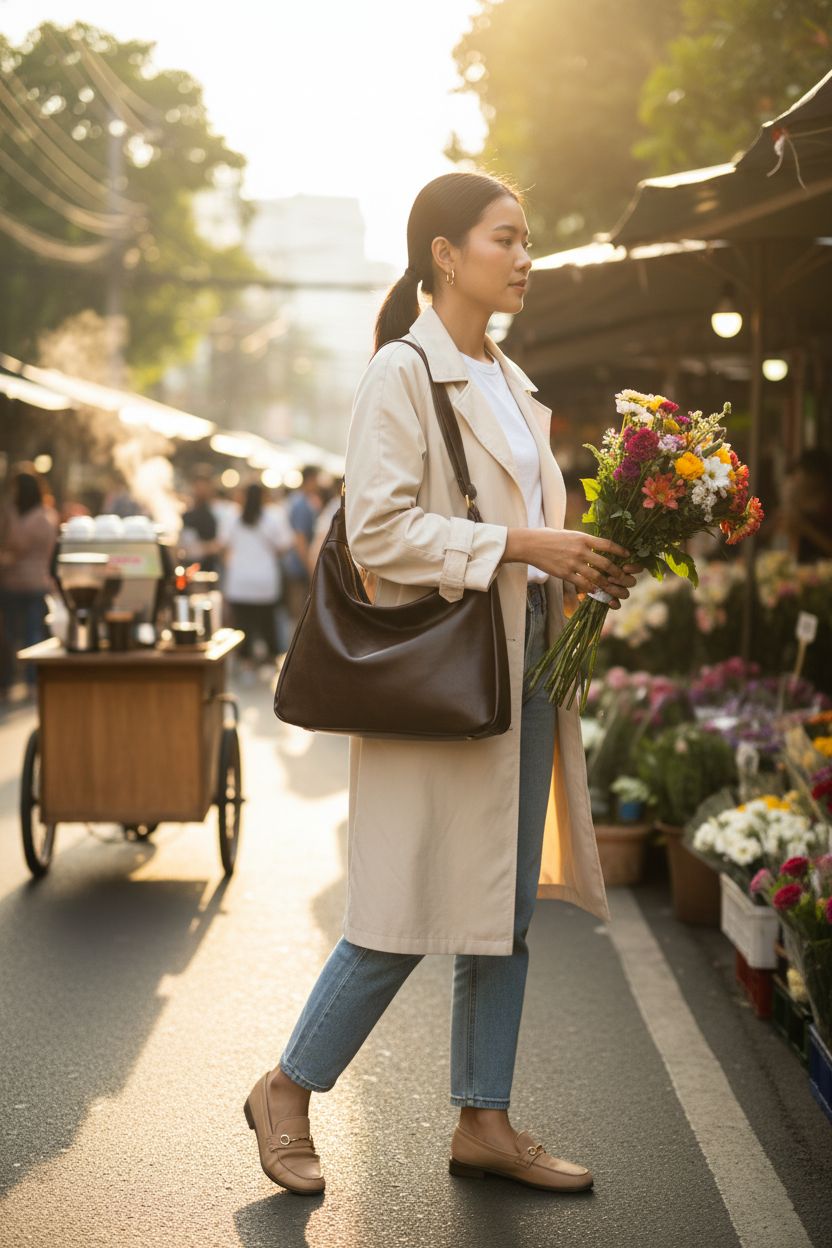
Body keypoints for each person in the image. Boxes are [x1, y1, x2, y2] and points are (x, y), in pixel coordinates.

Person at [243, 172, 638, 1196]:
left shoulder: (507, 380)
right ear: (445, 253)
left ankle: (484, 1119)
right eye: (506, 238)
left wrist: (583, 565)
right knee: (401, 909)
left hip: (522, 677)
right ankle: (286, 1089)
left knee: (496, 912)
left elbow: (524, 539)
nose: (525, 256)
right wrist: (524, 543)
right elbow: (377, 530)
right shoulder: (402, 373)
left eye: (528, 239)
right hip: (442, 684)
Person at [218, 482, 292, 673]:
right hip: (265, 580)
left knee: (243, 624)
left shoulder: (232, 517)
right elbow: (284, 545)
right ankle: (269, 660)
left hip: (240, 580)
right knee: (267, 621)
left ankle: (246, 661)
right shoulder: (274, 517)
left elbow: (223, 545)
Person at [0, 466, 59, 699]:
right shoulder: (46, 515)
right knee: (27, 634)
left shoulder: (30, 516)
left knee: (24, 635)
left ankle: (27, 682)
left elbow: (16, 543)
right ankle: (27, 683)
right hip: (25, 582)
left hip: (25, 582)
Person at [281, 466, 321, 624]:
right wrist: (309, 567)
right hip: (299, 566)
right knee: (299, 614)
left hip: (297, 564)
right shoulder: (301, 504)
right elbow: (300, 539)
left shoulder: (299, 500)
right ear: (310, 479)